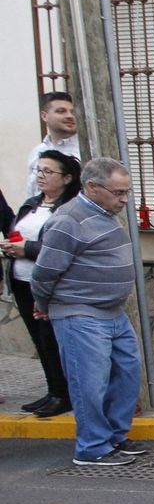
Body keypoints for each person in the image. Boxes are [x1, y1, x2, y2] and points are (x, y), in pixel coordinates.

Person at [28, 156, 147, 466]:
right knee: (89, 382)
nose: (124, 199)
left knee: (127, 374)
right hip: (80, 313)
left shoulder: (104, 212)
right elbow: (44, 273)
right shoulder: (68, 219)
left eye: (126, 192)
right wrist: (43, 305)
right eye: (118, 192)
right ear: (92, 187)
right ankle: (92, 447)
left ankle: (115, 436)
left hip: (113, 312)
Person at [1, 150, 79, 416]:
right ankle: (53, 390)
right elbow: (16, 232)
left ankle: (64, 394)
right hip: (22, 280)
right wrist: (11, 247)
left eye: (48, 171)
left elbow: (60, 247)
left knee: (52, 340)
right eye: (39, 170)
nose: (41, 176)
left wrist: (28, 249)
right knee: (40, 341)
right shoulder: (31, 204)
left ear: (67, 178)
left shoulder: (69, 209)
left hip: (50, 285)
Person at [26, 92, 81, 205]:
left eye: (72, 112)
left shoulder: (84, 151)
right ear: (44, 116)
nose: (69, 116)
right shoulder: (37, 152)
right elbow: (31, 192)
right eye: (61, 111)